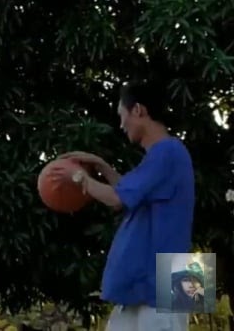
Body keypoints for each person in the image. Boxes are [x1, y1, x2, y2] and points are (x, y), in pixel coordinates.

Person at [51, 80, 195, 331]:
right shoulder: (166, 155)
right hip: (161, 278)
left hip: (164, 280)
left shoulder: (167, 151)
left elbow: (116, 199)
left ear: (138, 110)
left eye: (121, 115)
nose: (121, 124)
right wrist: (101, 165)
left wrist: (78, 177)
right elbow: (126, 194)